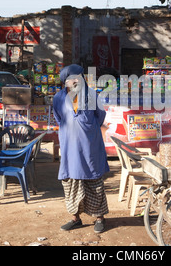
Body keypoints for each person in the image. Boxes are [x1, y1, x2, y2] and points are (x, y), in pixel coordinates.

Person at [52, 64, 109, 233]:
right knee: (71, 182)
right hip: (70, 148)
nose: (76, 80)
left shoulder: (92, 95)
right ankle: (75, 218)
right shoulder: (58, 98)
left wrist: (86, 130)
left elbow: (100, 116)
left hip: (90, 146)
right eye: (72, 78)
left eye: (79, 77)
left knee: (94, 181)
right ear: (66, 82)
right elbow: (59, 117)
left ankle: (99, 217)